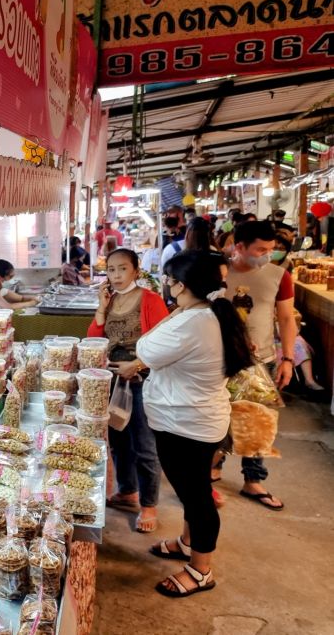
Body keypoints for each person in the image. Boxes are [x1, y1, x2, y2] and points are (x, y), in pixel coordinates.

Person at [135, 250, 252, 597]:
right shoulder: (204, 313)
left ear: (181, 285)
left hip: (186, 423)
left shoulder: (195, 321)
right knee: (192, 488)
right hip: (192, 418)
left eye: (170, 281)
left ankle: (201, 571)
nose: (167, 286)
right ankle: (188, 543)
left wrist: (174, 312)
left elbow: (147, 348)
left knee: (196, 496)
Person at [88, 249, 168, 533]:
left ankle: (148, 505)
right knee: (119, 440)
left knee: (144, 444)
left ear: (136, 270)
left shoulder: (151, 300)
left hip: (142, 381)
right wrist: (100, 307)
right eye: (111, 270)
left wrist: (137, 364)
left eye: (123, 269)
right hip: (113, 380)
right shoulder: (110, 302)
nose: (117, 275)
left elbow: (164, 343)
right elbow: (93, 340)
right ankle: (127, 490)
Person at [217, 220, 295, 511]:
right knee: (219, 415)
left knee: (260, 421)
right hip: (221, 359)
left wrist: (288, 358)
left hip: (263, 359)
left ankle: (254, 480)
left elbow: (286, 319)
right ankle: (215, 466)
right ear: (239, 247)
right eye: (261, 249)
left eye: (271, 249)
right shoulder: (219, 271)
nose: (268, 255)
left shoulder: (279, 275)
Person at [276, 308, 324, 392]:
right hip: (272, 340)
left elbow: (294, 329)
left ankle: (309, 380)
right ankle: (275, 381)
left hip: (286, 337)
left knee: (299, 343)